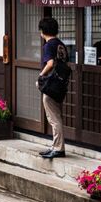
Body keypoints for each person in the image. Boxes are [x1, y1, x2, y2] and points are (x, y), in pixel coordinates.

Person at [37, 17, 69, 159]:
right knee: (57, 116)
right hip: (61, 85)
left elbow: (50, 63)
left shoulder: (48, 45)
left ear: (42, 31)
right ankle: (56, 145)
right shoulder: (61, 45)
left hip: (51, 85)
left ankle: (58, 148)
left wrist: (40, 75)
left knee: (54, 118)